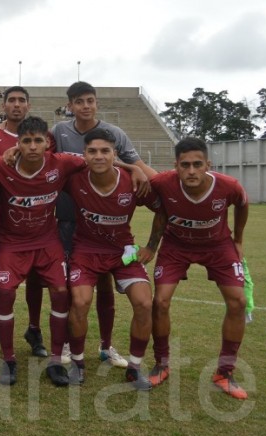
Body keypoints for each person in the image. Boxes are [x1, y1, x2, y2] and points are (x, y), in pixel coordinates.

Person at [0, 116, 147, 386]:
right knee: (4, 293)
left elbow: (98, 160)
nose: (32, 146)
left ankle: (55, 361)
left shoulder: (62, 163)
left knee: (62, 293)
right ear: (18, 144)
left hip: (50, 242)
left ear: (48, 143)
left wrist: (135, 168)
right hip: (13, 243)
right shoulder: (1, 165)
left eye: (38, 141)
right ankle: (9, 360)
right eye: (25, 141)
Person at [51, 81, 157, 368]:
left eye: (90, 101)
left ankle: (106, 346)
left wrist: (136, 169)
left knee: (107, 288)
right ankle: (61, 345)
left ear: (96, 102)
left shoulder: (115, 134)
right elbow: (46, 161)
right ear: (70, 105)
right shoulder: (59, 131)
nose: (86, 106)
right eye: (79, 102)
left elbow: (134, 166)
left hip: (109, 231)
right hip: (68, 221)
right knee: (65, 289)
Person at [145, 137, 250, 400]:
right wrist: (151, 245)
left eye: (197, 164)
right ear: (176, 166)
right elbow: (153, 203)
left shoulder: (229, 186)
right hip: (176, 247)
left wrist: (238, 239)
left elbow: (243, 204)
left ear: (208, 165)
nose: (191, 171)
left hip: (218, 246)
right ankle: (162, 363)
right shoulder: (162, 183)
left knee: (238, 302)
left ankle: (224, 372)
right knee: (160, 302)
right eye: (185, 165)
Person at [64, 128, 158, 390]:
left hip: (123, 252)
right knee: (80, 302)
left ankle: (135, 368)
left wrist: (151, 245)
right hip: (85, 250)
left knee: (144, 303)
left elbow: (162, 209)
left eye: (105, 151)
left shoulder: (134, 181)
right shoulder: (74, 178)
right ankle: (78, 364)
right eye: (92, 151)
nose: (99, 156)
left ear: (114, 154)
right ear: (84, 154)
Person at [0, 86, 52, 359]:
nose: (16, 105)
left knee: (37, 279)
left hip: (39, 222)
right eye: (11, 101)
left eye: (21, 101)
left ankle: (34, 329)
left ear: (29, 105)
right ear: (3, 105)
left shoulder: (43, 136)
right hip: (0, 220)